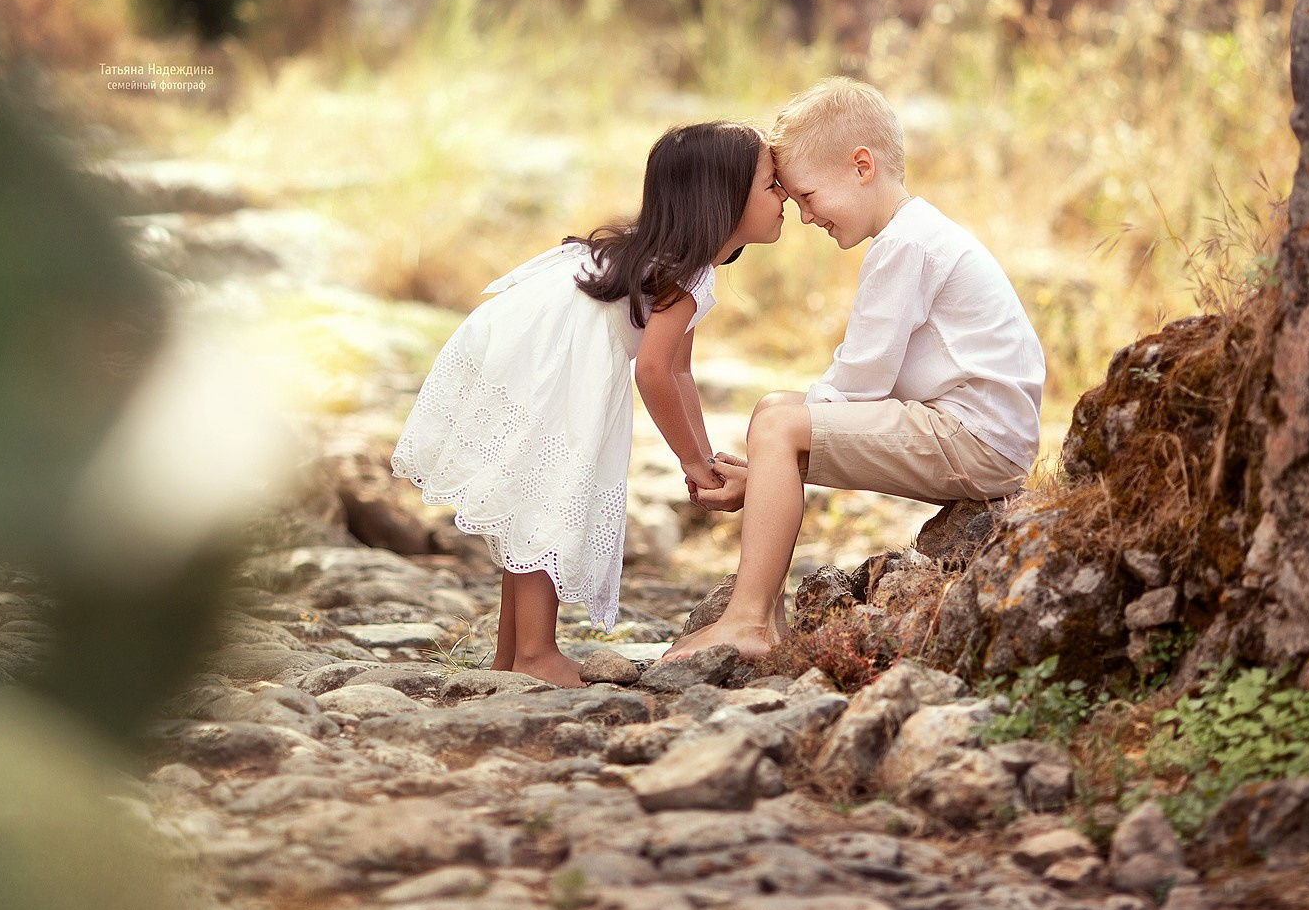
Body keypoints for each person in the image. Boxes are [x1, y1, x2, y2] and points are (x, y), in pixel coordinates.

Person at [660, 78, 1045, 664]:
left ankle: (746, 621)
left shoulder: (905, 246)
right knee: (774, 413)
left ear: (861, 165)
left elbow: (860, 381)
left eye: (809, 195)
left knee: (778, 426)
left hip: (978, 441)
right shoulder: (915, 235)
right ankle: (763, 618)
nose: (807, 216)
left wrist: (774, 454)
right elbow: (854, 394)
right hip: (967, 431)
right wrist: (770, 469)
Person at [391, 121, 787, 686]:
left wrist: (703, 459)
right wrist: (694, 465)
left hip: (522, 347)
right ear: (722, 198)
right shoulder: (685, 273)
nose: (786, 198)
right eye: (773, 186)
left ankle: (510, 659)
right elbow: (652, 371)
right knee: (553, 492)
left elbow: (679, 369)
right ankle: (535, 653)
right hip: (545, 360)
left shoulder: (684, 266)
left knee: (534, 500)